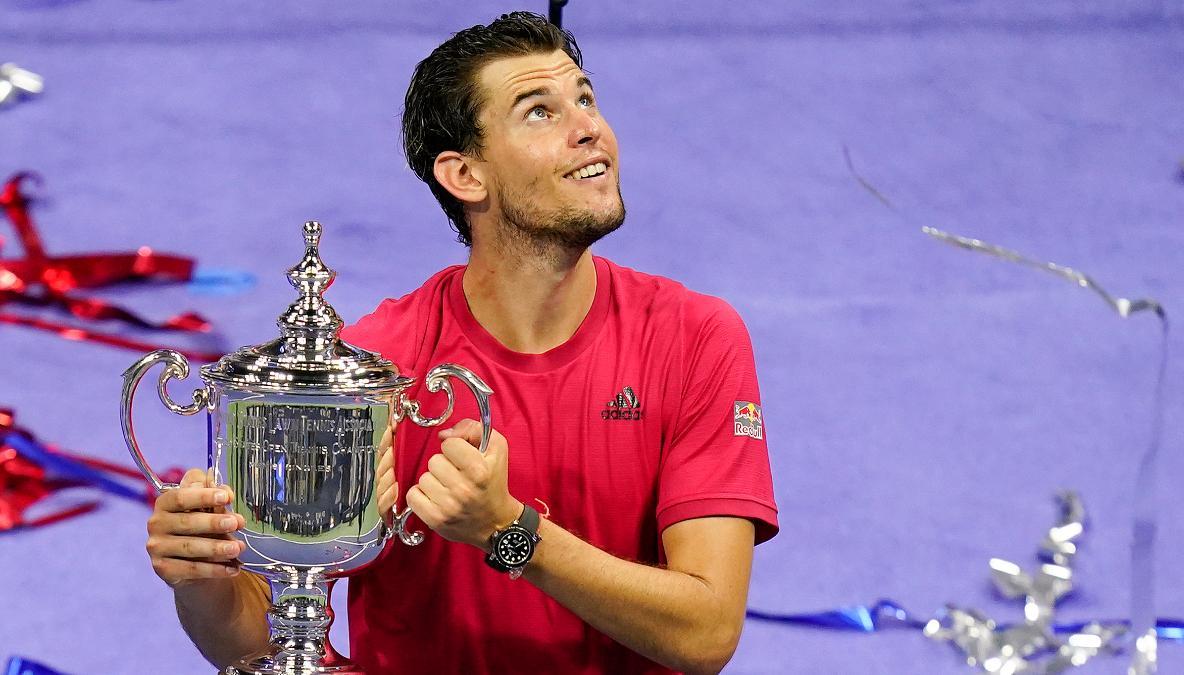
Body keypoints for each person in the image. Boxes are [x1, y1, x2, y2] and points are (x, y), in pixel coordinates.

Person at [144, 12, 778, 674]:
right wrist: (202, 579)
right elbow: (269, 646)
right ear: (465, 175)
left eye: (585, 98)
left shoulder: (695, 338)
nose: (590, 127)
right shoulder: (375, 368)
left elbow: (706, 632)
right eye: (539, 112)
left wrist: (508, 533)